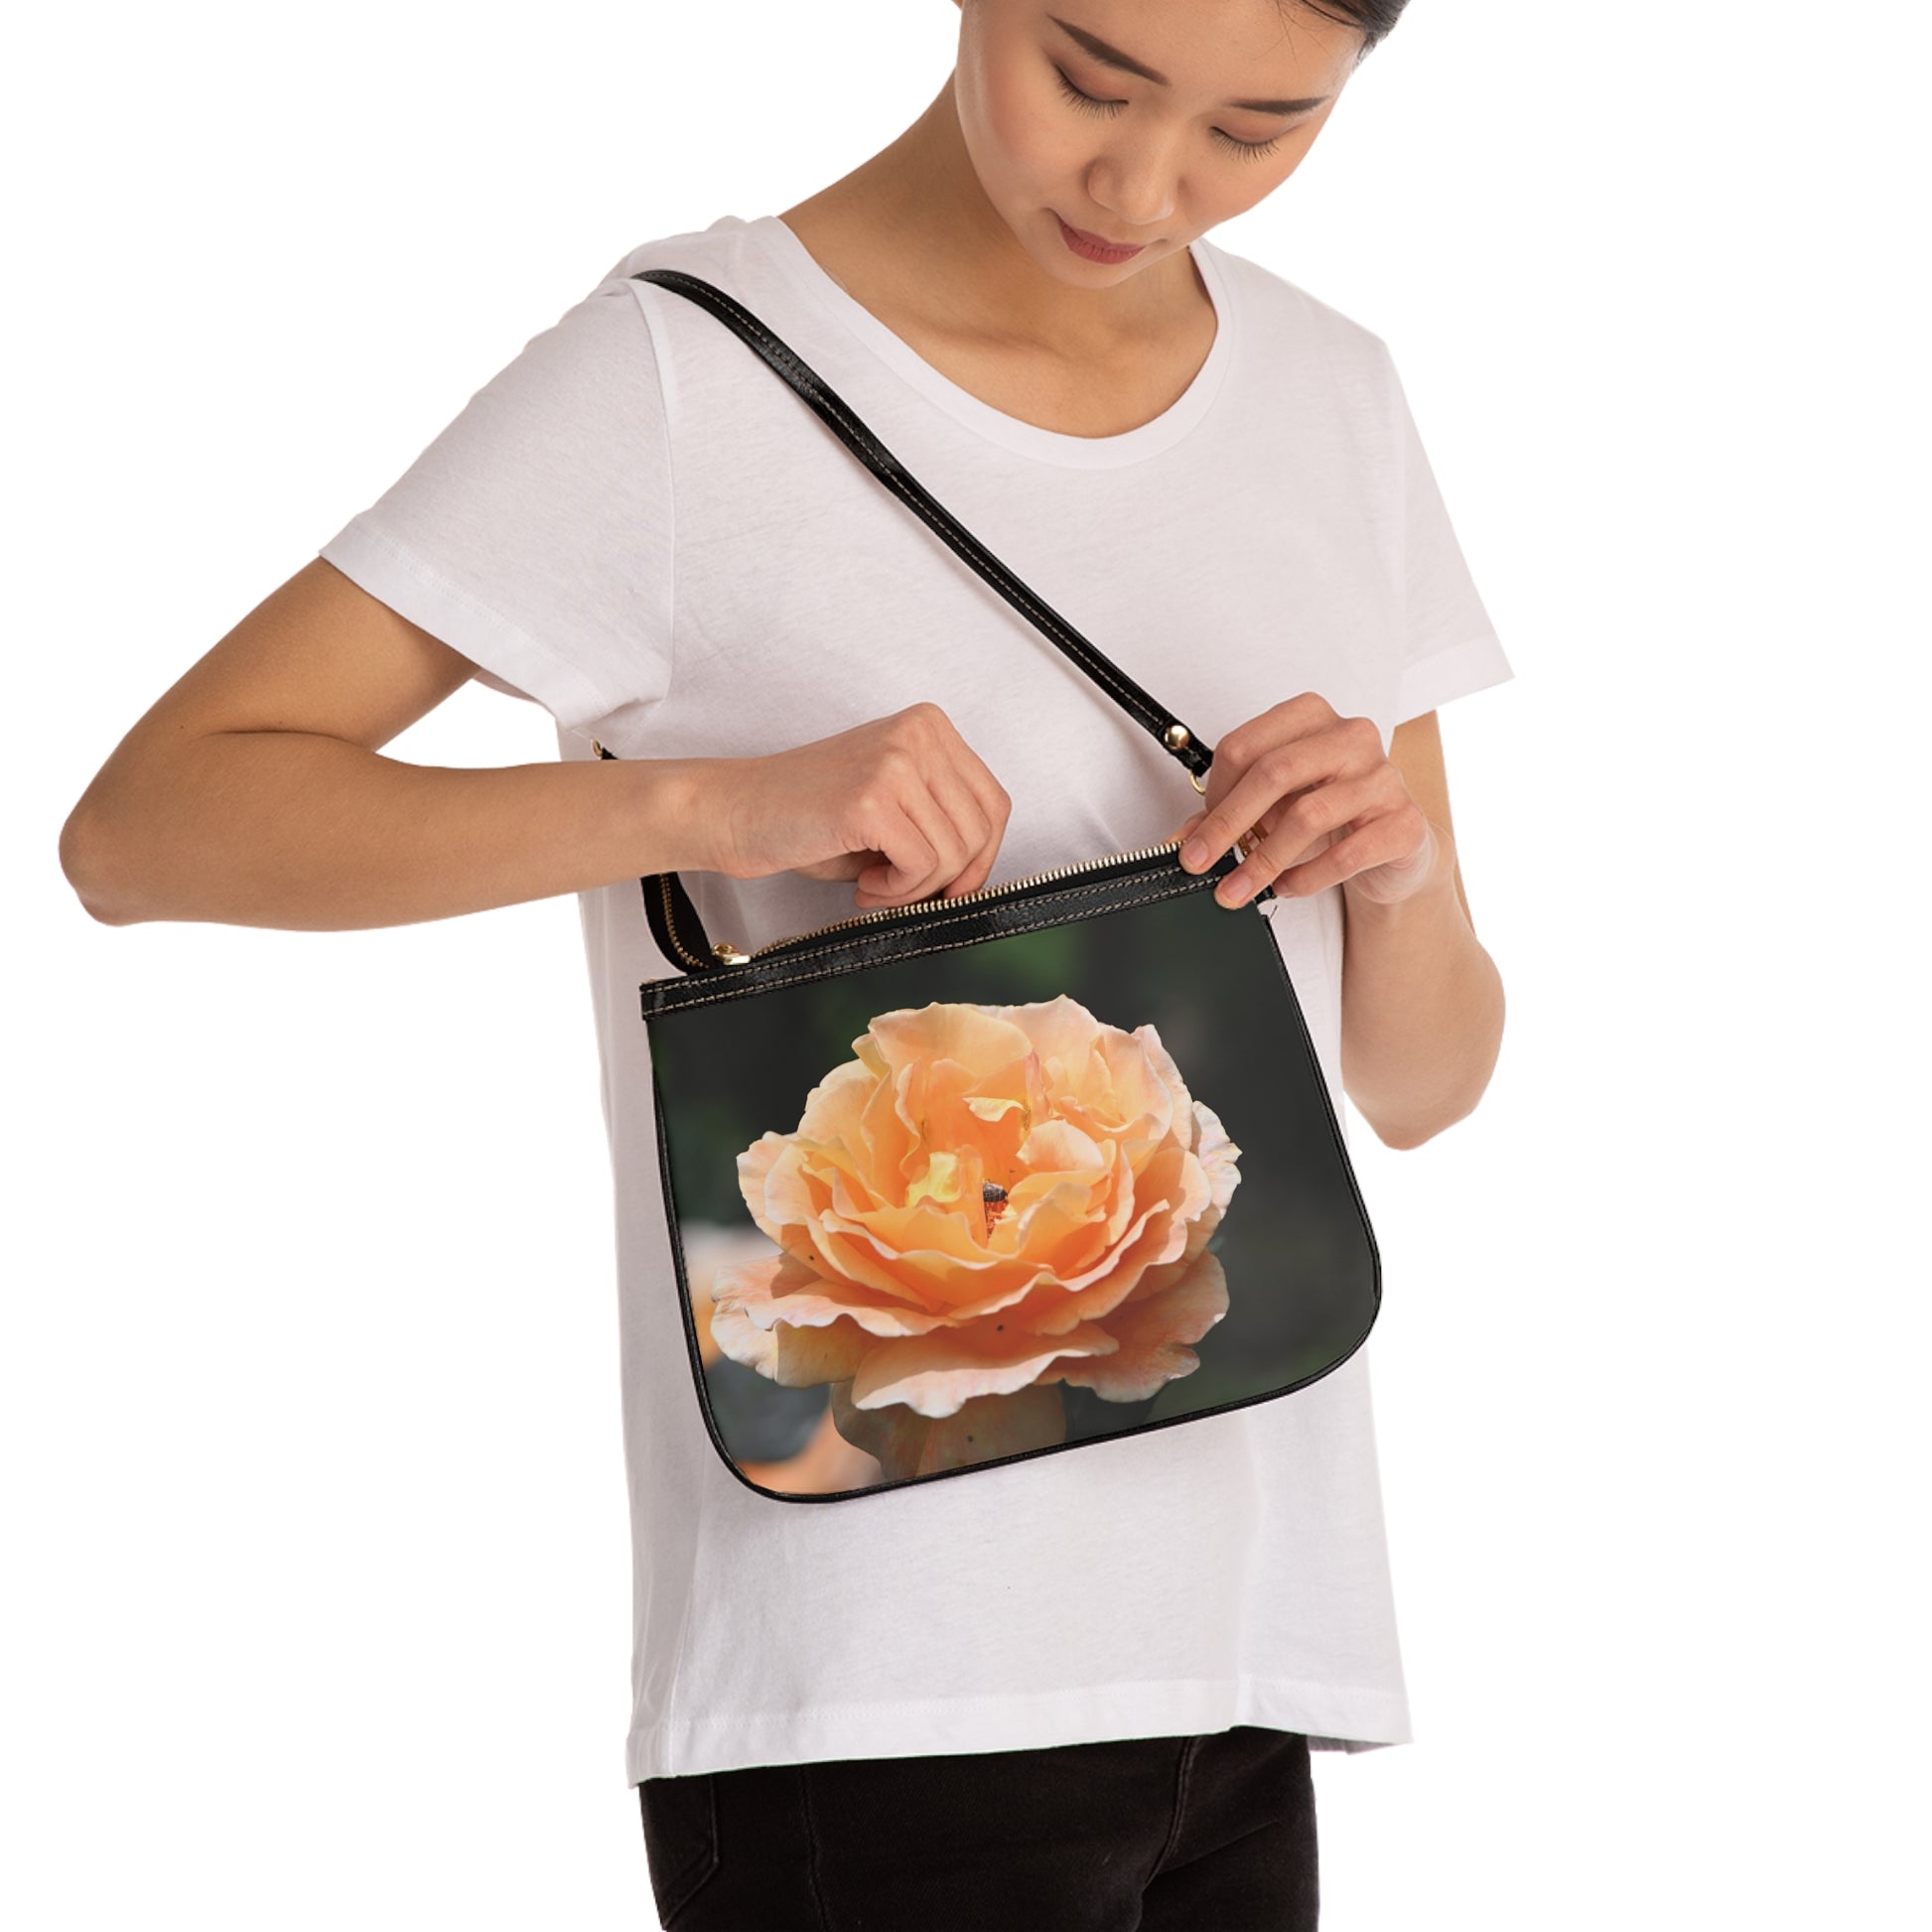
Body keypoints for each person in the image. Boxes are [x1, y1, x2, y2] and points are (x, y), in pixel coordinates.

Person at [58, 0, 1511, 1923]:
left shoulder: (1333, 396)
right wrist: (706, 804)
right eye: (1091, 78)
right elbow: (147, 826)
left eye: (1258, 127)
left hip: (1249, 1659)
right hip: (869, 1679)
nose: (1148, 180)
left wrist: (1393, 880)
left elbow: (1421, 1087)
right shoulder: (678, 378)